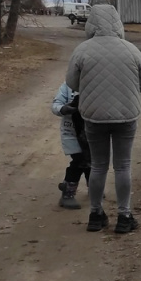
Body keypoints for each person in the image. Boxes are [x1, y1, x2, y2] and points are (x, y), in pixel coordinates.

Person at [66, 4, 141, 234]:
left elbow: (72, 83)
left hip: (93, 116)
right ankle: (124, 216)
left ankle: (95, 215)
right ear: (117, 23)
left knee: (99, 166)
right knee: (122, 165)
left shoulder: (82, 50)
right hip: (126, 115)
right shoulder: (131, 49)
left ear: (91, 23)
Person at [51, 81, 91, 209]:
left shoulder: (97, 84)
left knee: (92, 160)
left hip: (92, 131)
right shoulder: (67, 87)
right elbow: (56, 104)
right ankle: (67, 193)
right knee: (79, 160)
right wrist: (63, 109)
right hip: (71, 131)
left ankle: (95, 187)